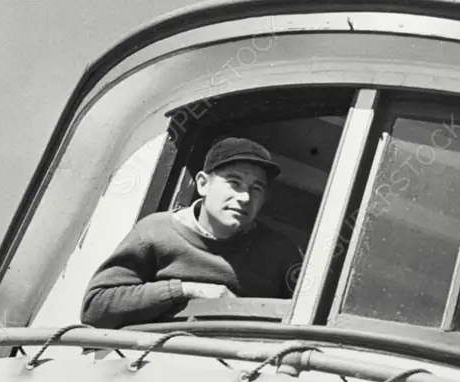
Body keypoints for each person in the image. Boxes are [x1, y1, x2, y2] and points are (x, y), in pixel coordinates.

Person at [81, 137, 299, 329]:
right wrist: (185, 290)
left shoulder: (280, 251)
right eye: (234, 183)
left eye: (256, 188)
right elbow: (95, 307)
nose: (245, 197)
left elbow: (305, 316)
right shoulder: (155, 232)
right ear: (203, 184)